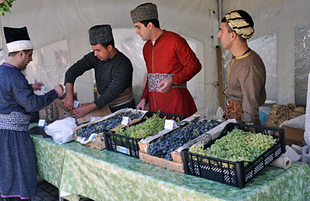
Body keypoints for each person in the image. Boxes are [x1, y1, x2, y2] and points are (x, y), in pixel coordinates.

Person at [0, 27, 64, 200]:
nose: (31, 59)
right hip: (15, 137)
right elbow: (31, 104)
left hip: (4, 134)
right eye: (29, 55)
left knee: (8, 175)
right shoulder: (14, 76)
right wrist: (55, 93)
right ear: (21, 53)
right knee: (20, 174)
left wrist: (29, 88)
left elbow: (8, 93)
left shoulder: (3, 72)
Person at [130, 3, 201, 117]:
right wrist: (144, 98)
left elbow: (195, 65)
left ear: (149, 25)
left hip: (176, 106)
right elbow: (151, 77)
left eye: (138, 27)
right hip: (155, 109)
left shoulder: (175, 40)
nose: (137, 31)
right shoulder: (146, 48)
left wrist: (173, 80)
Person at [63, 24, 135, 118]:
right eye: (93, 50)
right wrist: (69, 94)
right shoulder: (94, 57)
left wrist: (85, 109)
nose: (95, 54)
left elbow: (110, 94)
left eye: (98, 50)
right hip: (103, 108)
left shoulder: (123, 64)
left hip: (123, 110)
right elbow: (72, 71)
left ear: (109, 48)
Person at [217, 10, 266, 125]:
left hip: (243, 128)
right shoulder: (238, 58)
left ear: (232, 35)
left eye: (221, 31)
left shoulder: (249, 64)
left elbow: (250, 109)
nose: (219, 35)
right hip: (233, 122)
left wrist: (243, 130)